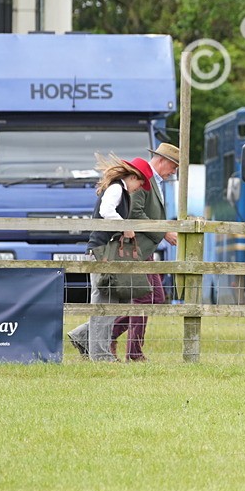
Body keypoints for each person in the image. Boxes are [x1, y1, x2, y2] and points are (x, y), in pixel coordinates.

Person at [66, 155, 154, 362]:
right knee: (104, 304)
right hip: (102, 252)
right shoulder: (116, 189)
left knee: (113, 303)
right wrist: (125, 227)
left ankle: (83, 337)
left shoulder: (120, 190)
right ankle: (100, 356)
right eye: (140, 183)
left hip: (105, 252)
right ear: (133, 177)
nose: (139, 188)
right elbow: (106, 211)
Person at [110, 143, 180, 361]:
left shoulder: (153, 180)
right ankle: (132, 351)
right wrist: (163, 232)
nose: (174, 172)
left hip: (143, 249)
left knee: (155, 297)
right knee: (145, 298)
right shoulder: (143, 179)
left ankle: (103, 335)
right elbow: (135, 212)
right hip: (135, 247)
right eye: (174, 166)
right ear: (162, 161)